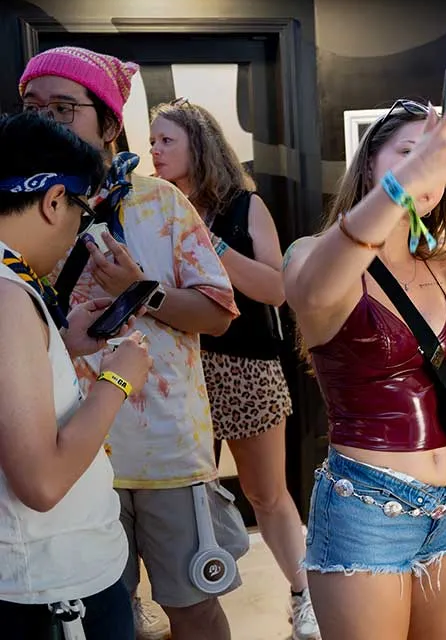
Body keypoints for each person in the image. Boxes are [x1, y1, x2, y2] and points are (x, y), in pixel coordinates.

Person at [283, 100, 446, 640]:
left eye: (433, 156)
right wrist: (404, 183)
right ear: (370, 164)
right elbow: (310, 294)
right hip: (365, 507)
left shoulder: (441, 265)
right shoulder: (309, 254)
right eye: (409, 152)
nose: (425, 167)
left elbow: (424, 374)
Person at [19, 47, 247, 640]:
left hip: (164, 449)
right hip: (65, 450)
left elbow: (219, 314)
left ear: (109, 124)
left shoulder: (161, 203)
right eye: (32, 107)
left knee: (193, 606)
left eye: (63, 108)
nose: (45, 121)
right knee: (99, 614)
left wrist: (140, 292)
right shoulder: (18, 208)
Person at [149, 99, 320, 640]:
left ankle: (305, 595)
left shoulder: (245, 206)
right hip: (176, 370)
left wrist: (212, 242)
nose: (154, 151)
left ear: (198, 144)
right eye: (152, 141)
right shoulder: (151, 208)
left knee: (266, 493)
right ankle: (178, 605)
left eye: (166, 140)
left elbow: (277, 289)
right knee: (177, 498)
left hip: (246, 366)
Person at [0, 111, 152, 639]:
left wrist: (60, 346)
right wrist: (118, 381)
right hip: (52, 587)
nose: (75, 232)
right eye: (81, 212)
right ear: (53, 201)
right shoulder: (8, 297)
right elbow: (41, 482)